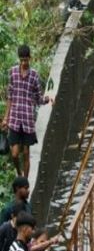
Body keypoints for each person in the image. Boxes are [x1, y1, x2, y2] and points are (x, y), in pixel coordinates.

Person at [4, 45, 54, 179]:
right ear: (19, 59)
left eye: (26, 60)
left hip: (27, 120)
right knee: (14, 153)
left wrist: (48, 99)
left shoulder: (34, 75)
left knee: (26, 153)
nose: (24, 63)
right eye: (22, 60)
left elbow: (38, 98)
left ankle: (25, 182)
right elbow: (10, 96)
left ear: (30, 58)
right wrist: (5, 118)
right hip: (14, 119)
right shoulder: (13, 73)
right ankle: (19, 174)